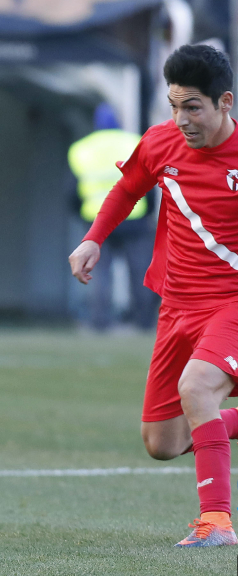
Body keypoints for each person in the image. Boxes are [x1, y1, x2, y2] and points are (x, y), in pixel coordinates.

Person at [69, 44, 238, 547]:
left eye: (193, 107)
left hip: (231, 302)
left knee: (197, 387)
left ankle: (218, 523)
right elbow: (127, 189)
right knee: (163, 442)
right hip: (176, 306)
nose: (181, 118)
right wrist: (93, 238)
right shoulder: (160, 142)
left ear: (224, 102)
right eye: (173, 105)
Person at [67, 103, 156, 331]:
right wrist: (148, 213)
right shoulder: (134, 141)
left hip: (97, 221)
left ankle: (99, 322)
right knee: (140, 272)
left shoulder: (81, 149)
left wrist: (80, 215)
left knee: (98, 274)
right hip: (134, 219)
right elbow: (151, 183)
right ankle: (144, 322)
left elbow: (72, 190)